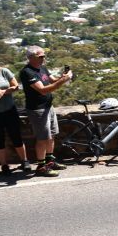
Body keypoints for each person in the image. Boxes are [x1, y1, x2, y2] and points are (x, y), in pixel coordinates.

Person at [19, 46, 72, 177]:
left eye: (44, 56)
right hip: (37, 109)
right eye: (41, 56)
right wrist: (63, 80)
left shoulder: (42, 67)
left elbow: (53, 80)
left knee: (51, 135)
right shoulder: (27, 72)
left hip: (48, 106)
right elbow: (43, 90)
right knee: (43, 139)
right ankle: (41, 167)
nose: (44, 58)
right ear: (31, 57)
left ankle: (50, 161)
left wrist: (62, 77)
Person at [0, 64, 29, 175]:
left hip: (10, 110)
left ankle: (25, 161)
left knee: (16, 136)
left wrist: (3, 91)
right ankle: (4, 166)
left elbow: (16, 87)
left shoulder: (4, 72)